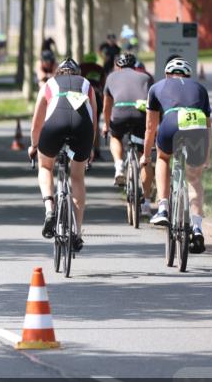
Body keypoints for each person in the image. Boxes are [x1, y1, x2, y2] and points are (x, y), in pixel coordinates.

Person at [28, 58, 98, 251]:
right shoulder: (86, 85)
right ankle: (76, 232)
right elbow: (93, 121)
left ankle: (50, 209)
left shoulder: (49, 84)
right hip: (81, 129)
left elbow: (37, 123)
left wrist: (34, 146)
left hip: (54, 126)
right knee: (77, 177)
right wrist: (90, 147)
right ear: (77, 74)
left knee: (45, 166)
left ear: (57, 73)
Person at [143, 58, 211, 253]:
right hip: (196, 123)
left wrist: (146, 156)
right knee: (195, 179)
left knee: (163, 157)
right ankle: (197, 228)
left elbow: (150, 127)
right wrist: (206, 157)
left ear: (167, 75)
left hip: (172, 120)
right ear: (188, 76)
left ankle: (163, 206)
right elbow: (208, 127)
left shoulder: (157, 87)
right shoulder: (200, 88)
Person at [103, 52, 154, 215]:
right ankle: (146, 203)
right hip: (141, 114)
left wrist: (106, 125)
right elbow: (153, 103)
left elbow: (106, 106)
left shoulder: (111, 77)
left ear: (118, 65)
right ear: (135, 65)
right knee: (144, 158)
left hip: (120, 112)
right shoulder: (146, 77)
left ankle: (119, 165)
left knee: (115, 136)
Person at [80, 52, 106, 159]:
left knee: (82, 124)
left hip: (82, 98)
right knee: (95, 124)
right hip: (97, 98)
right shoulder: (100, 69)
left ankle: (82, 150)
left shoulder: (80, 68)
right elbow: (104, 85)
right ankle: (97, 151)